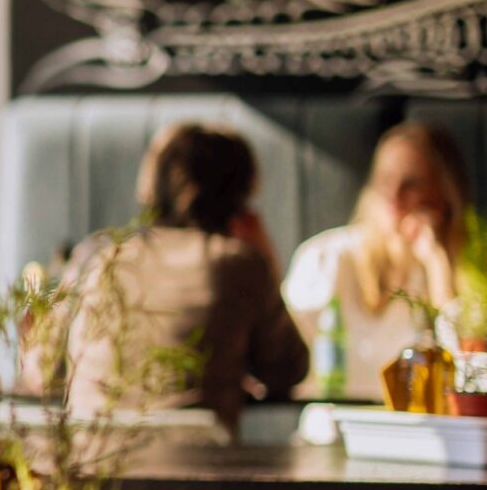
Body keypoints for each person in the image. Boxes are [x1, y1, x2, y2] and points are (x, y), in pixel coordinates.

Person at [58, 123, 307, 435]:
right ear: (239, 197)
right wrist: (266, 256)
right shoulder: (238, 263)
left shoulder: (95, 255)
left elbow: (44, 372)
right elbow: (288, 369)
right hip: (196, 472)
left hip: (87, 469)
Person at [282, 121, 470, 394]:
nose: (394, 197)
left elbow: (467, 369)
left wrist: (437, 262)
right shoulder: (328, 257)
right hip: (333, 429)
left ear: (444, 193)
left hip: (425, 429)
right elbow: (282, 356)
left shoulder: (463, 267)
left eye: (412, 184)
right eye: (385, 181)